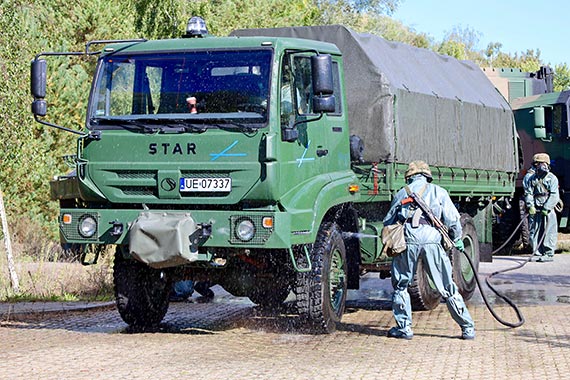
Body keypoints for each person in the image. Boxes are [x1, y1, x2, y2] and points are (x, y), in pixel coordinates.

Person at [382, 160, 475, 340]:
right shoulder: (439, 192)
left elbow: (388, 221)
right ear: (427, 175)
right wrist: (457, 239)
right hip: (432, 240)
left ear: (409, 177)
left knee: (401, 285)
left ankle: (404, 328)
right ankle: (467, 328)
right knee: (447, 286)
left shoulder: (402, 192)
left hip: (407, 241)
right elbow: (453, 220)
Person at [524, 153, 560, 262]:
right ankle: (537, 252)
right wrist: (530, 206)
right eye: (537, 164)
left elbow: (554, 195)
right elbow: (528, 193)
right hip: (536, 208)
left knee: (549, 230)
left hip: (548, 209)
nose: (540, 166)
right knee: (534, 230)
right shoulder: (532, 178)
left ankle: (548, 253)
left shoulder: (552, 178)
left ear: (547, 164)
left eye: (542, 163)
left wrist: (547, 207)